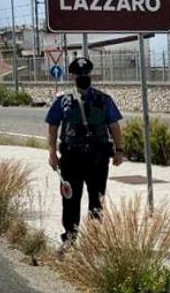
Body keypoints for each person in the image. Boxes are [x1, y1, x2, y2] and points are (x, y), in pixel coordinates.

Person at [46, 57, 124, 246]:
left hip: (98, 158)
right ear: (72, 77)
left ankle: (94, 240)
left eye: (86, 74)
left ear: (91, 75)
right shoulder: (63, 100)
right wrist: (52, 153)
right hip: (71, 158)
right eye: (79, 75)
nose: (83, 77)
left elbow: (114, 126)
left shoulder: (103, 99)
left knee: (97, 199)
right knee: (71, 198)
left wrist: (119, 150)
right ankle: (70, 238)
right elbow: (53, 126)